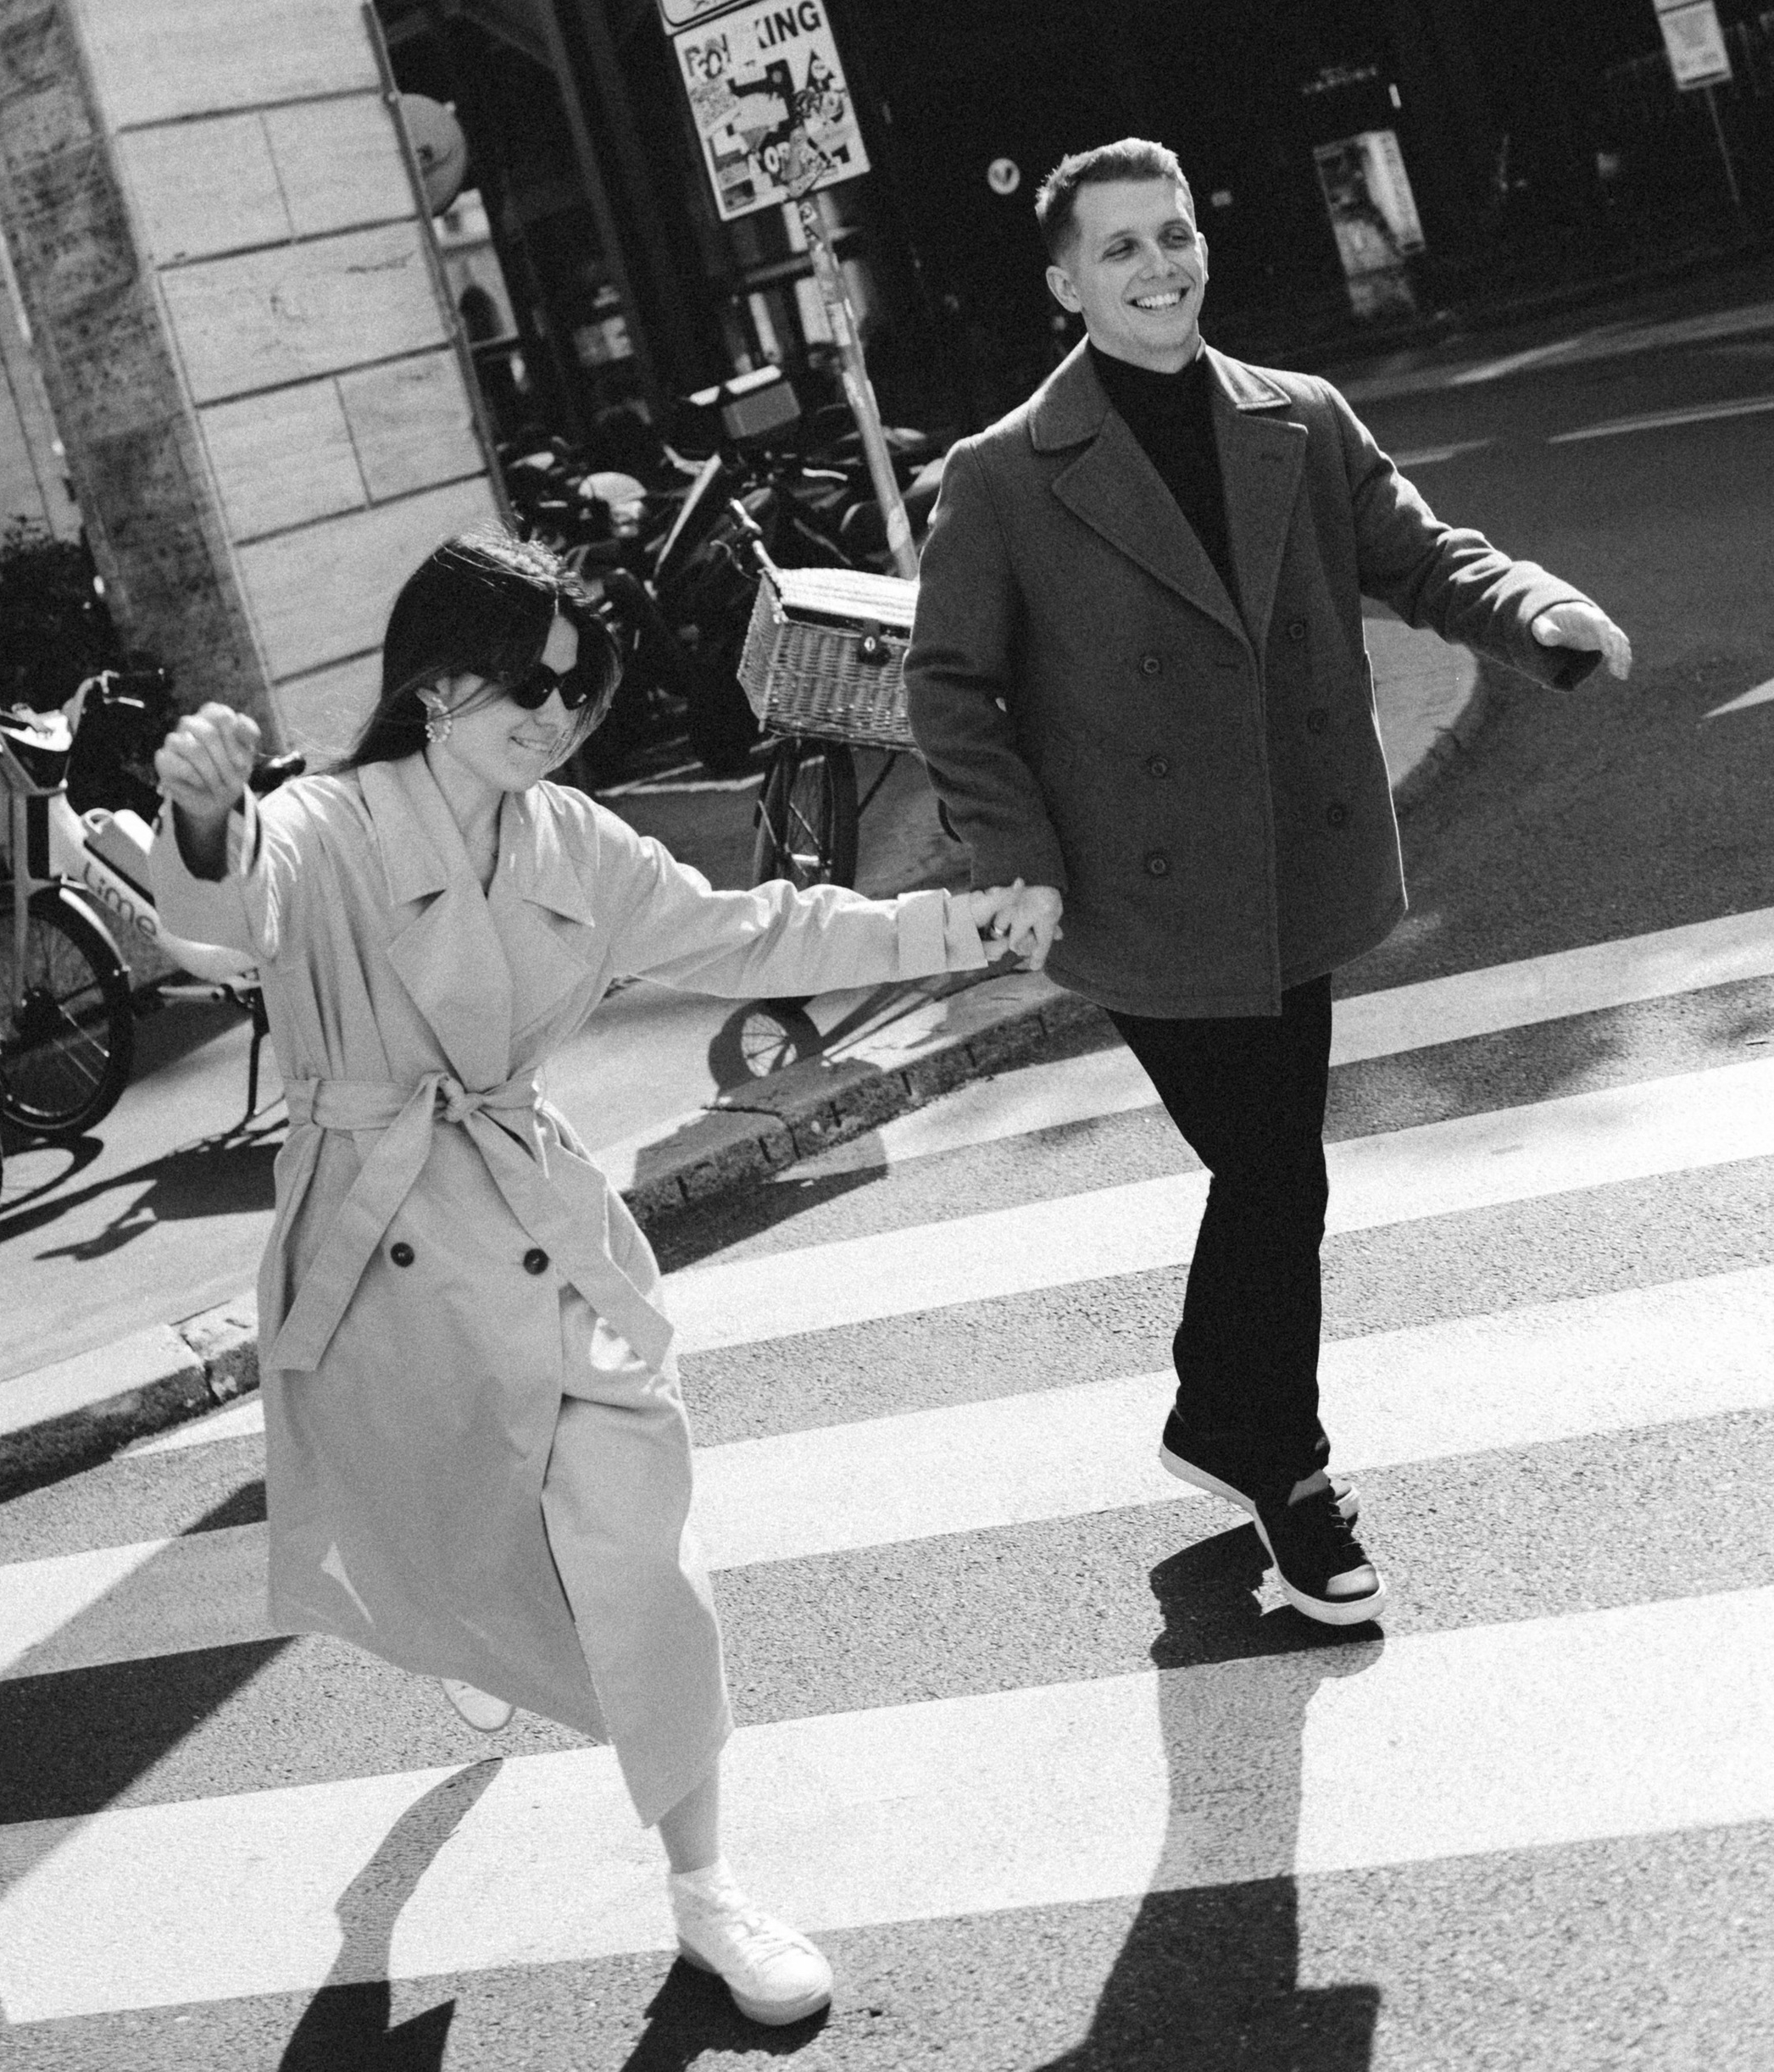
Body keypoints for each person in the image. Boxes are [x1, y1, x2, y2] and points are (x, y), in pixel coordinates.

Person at [152, 528, 1039, 2027]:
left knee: (640, 1537)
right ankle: (481, 1626)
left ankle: (705, 1888)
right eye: (533, 680)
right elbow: (234, 913)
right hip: (380, 1250)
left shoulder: (574, 840)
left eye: (584, 689)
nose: (560, 714)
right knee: (452, 1534)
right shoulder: (331, 821)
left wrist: (964, 921)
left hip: (545, 1223)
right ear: (434, 677)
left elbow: (754, 932)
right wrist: (199, 817)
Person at [904, 136, 1631, 1630]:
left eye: (1174, 233)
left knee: (1271, 1162)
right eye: (1121, 248)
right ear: (1065, 284)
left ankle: (1222, 1420)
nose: (1161, 265)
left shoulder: (1298, 419)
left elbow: (1424, 557)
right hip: (1135, 892)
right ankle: (1281, 1468)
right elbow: (951, 689)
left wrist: (1538, 610)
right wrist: (1019, 863)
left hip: (1289, 865)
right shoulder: (1001, 477)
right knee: (1274, 1164)